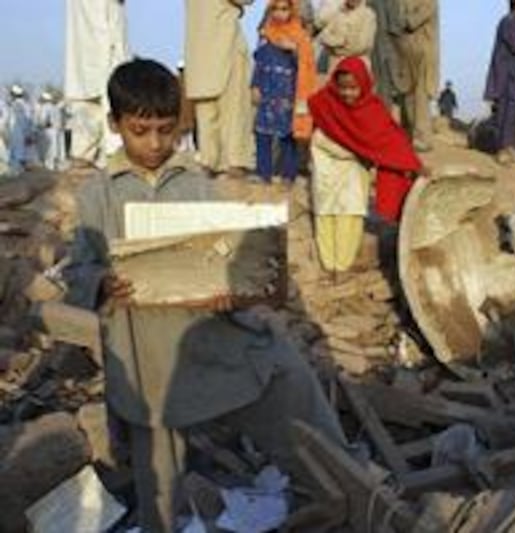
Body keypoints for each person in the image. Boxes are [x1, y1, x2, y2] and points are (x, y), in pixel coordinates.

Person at [65, 59, 347, 531]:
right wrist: (101, 283)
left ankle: (346, 484)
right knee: (157, 467)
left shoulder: (197, 183)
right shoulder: (96, 196)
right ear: (115, 125)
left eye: (166, 130)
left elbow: (227, 255)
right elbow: (77, 272)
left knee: (286, 377)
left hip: (207, 334)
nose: (155, 144)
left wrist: (230, 290)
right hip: (144, 352)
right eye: (141, 131)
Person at [309, 56, 423, 272]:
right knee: (325, 214)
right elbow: (317, 136)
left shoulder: (373, 110)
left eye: (353, 88)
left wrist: (413, 164)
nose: (347, 94)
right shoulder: (324, 102)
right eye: (343, 88)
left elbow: (392, 141)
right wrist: (352, 151)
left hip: (353, 174)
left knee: (350, 216)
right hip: (327, 170)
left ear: (364, 84)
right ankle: (328, 265)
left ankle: (341, 268)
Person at [185, 0, 255, 178]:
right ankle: (234, 161)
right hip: (225, 42)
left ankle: (210, 160)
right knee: (234, 109)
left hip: (200, 46)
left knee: (207, 110)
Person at [253, 0, 317, 184]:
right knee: (262, 134)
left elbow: (307, 64)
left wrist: (295, 50)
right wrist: (255, 85)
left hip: (289, 93)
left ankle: (289, 175)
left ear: (292, 10)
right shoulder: (266, 34)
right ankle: (263, 173)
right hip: (268, 91)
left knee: (288, 135)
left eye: (284, 9)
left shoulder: (299, 36)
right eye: (276, 9)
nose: (280, 13)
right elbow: (259, 63)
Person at [64, 0, 129, 168]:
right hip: (93, 41)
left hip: (107, 48)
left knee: (107, 96)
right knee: (90, 99)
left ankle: (109, 157)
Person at [484, 0, 515, 165]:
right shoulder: (511, 21)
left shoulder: (510, 21)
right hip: (507, 78)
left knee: (512, 114)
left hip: (511, 78)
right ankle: (503, 150)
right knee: (505, 114)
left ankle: (510, 147)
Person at [393, 0, 440, 152]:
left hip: (422, 55)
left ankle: (422, 138)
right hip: (406, 55)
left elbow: (411, 21)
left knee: (420, 98)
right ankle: (407, 136)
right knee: (406, 96)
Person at [318, 0, 377, 74]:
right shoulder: (337, 13)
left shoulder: (368, 15)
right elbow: (323, 36)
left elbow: (361, 46)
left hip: (357, 64)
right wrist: (339, 42)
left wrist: (334, 49)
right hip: (336, 64)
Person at [35, 92, 66, 171]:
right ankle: (58, 165)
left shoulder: (45, 107)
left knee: (50, 149)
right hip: (59, 130)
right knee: (58, 148)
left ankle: (50, 166)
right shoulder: (55, 107)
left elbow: (43, 120)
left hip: (50, 130)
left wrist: (39, 126)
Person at [7, 85, 33, 175]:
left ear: (14, 95)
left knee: (16, 151)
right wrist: (28, 133)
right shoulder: (26, 104)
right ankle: (21, 169)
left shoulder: (17, 105)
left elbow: (19, 120)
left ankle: (16, 170)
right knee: (21, 150)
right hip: (23, 131)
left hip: (17, 130)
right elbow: (29, 120)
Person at [175, 61, 196, 153]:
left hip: (185, 110)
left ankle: (187, 146)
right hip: (185, 111)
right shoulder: (189, 81)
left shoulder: (179, 81)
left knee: (187, 132)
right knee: (187, 132)